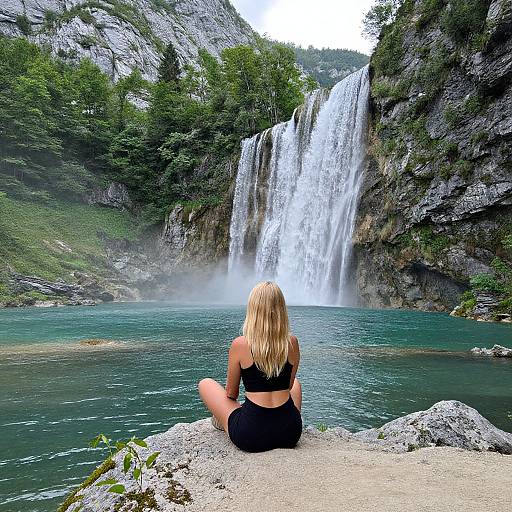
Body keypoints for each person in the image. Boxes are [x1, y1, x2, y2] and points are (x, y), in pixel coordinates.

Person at [198, 281, 302, 452]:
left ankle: (223, 420)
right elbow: (289, 386)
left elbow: (231, 394)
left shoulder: (240, 344)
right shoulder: (292, 342)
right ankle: (278, 421)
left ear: (253, 310)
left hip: (251, 435)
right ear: (282, 310)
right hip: (290, 433)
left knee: (205, 383)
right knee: (296, 384)